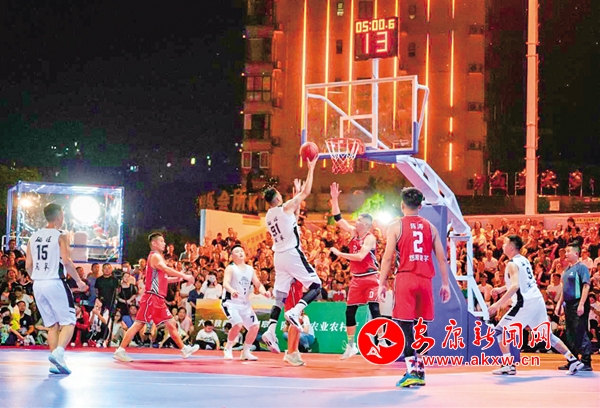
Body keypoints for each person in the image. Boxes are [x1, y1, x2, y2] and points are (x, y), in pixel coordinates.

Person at [378, 187, 451, 387]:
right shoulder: (430, 227)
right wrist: (445, 283)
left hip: (406, 278)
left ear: (402, 205)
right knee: (421, 327)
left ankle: (412, 371)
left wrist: (382, 283)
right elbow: (442, 258)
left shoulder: (395, 226)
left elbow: (387, 258)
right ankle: (420, 371)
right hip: (425, 281)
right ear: (420, 206)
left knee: (405, 326)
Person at [488, 236, 585, 375]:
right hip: (537, 300)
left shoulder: (511, 264)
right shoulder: (524, 260)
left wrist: (497, 304)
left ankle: (508, 365)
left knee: (499, 331)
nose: (502, 245)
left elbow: (515, 286)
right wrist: (501, 289)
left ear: (511, 247)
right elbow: (523, 282)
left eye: (505, 243)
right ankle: (573, 360)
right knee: (547, 335)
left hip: (525, 302)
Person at [261, 156, 321, 352]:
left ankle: (270, 330)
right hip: (291, 253)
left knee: (280, 297)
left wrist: (296, 196)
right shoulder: (284, 207)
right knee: (316, 285)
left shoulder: (269, 216)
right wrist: (311, 168)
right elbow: (307, 192)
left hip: (278, 257)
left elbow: (292, 218)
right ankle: (296, 311)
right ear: (278, 198)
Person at [113, 232, 199, 362]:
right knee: (138, 324)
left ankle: (184, 349)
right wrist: (184, 276)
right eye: (162, 241)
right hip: (151, 298)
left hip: (158, 299)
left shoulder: (158, 258)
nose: (164, 243)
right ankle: (120, 350)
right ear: (154, 243)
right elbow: (166, 270)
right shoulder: (155, 256)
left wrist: (178, 278)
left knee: (171, 323)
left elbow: (163, 279)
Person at [26, 203, 88, 374]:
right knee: (69, 321)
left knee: (52, 324)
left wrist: (37, 278)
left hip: (38, 284)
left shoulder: (33, 237)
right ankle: (59, 353)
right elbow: (66, 261)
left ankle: (55, 362)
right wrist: (79, 281)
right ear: (60, 216)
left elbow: (28, 265)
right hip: (54, 281)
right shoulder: (61, 235)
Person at [329, 182, 381, 360]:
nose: (355, 222)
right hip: (357, 279)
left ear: (365, 224)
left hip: (371, 277)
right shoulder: (353, 232)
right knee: (349, 312)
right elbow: (338, 218)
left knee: (375, 309)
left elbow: (359, 256)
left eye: (358, 220)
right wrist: (334, 198)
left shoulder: (370, 238)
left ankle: (381, 342)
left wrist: (340, 253)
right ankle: (351, 346)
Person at [221, 245, 270, 361]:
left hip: (245, 303)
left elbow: (258, 284)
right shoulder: (230, 268)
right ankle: (228, 348)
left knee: (254, 327)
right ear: (232, 256)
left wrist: (264, 292)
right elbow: (225, 283)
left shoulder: (250, 269)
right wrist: (232, 291)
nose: (240, 253)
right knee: (238, 324)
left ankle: (246, 351)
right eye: (237, 252)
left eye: (241, 251)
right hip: (230, 303)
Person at [554, 243, 593, 371]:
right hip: (568, 305)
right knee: (569, 333)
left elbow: (586, 286)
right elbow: (564, 289)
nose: (565, 254)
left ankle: (586, 362)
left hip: (578, 303)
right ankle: (573, 361)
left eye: (568, 251)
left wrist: (581, 304)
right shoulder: (566, 270)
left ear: (576, 253)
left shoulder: (582, 268)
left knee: (580, 331)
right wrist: (559, 304)